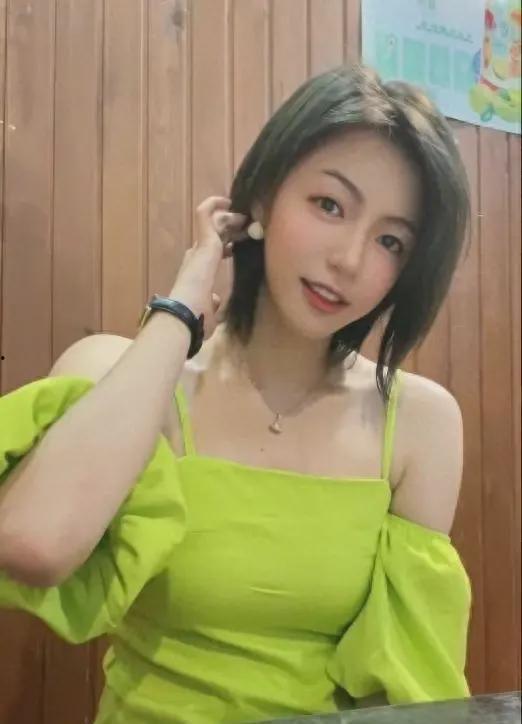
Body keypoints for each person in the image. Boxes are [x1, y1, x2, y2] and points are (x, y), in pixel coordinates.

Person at [0, 64, 471, 723]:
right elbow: (34, 542)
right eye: (330, 205)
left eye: (391, 240)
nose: (350, 259)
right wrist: (181, 307)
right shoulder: (123, 376)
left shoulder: (419, 422)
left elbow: (407, 685)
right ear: (264, 198)